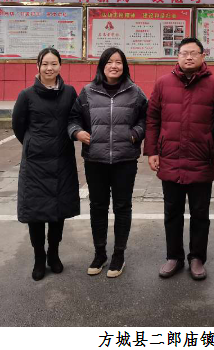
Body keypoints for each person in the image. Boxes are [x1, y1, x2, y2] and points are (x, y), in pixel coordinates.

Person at [144, 37, 214, 280]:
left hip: (202, 159)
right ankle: (174, 257)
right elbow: (152, 119)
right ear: (177, 56)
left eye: (194, 53)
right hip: (170, 158)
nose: (189, 57)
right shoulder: (163, 83)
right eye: (184, 53)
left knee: (200, 213)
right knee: (172, 212)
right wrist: (152, 151)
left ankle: (197, 258)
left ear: (203, 56)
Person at [68, 48, 147, 278]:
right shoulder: (88, 92)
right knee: (98, 206)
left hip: (125, 159)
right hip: (96, 159)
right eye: (109, 62)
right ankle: (100, 253)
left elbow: (147, 117)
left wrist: (136, 133)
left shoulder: (134, 92)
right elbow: (73, 118)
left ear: (124, 66)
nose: (114, 66)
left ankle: (119, 255)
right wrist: (77, 132)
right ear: (102, 66)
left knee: (122, 207)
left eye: (118, 62)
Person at [12, 47, 80, 281]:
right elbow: (18, 127)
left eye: (54, 64)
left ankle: (54, 253)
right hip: (36, 164)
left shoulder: (70, 93)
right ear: (38, 66)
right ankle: (39, 257)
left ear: (60, 66)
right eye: (45, 64)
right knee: (36, 213)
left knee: (58, 212)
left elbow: (75, 119)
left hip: (62, 159)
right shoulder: (26, 95)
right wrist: (35, 145)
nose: (49, 68)